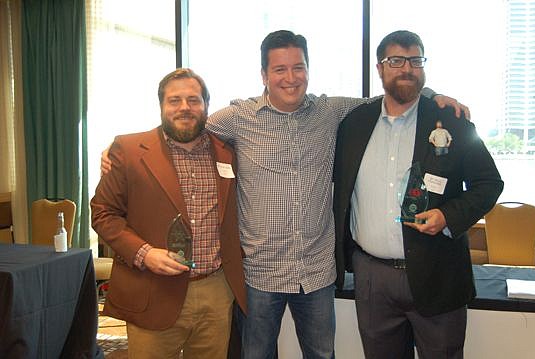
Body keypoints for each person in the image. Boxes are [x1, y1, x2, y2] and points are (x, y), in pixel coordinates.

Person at [101, 30, 468, 359]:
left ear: (308, 70)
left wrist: (433, 95)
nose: (290, 78)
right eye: (279, 69)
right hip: (259, 273)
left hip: (317, 271)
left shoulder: (332, 111)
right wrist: (122, 152)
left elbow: (389, 99)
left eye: (298, 67)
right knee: (257, 354)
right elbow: (184, 123)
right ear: (264, 75)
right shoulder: (237, 118)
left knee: (321, 354)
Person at [333, 30, 503, 358]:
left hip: (438, 272)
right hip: (372, 278)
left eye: (415, 60)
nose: (406, 68)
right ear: (380, 69)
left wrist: (448, 216)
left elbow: (489, 183)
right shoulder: (354, 124)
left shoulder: (452, 122)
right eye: (395, 60)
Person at [91, 68, 247, 359]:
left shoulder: (229, 152)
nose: (184, 107)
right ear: (161, 106)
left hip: (216, 290)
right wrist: (144, 253)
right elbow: (102, 213)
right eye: (174, 100)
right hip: (153, 289)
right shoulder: (127, 150)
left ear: (206, 106)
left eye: (193, 99)